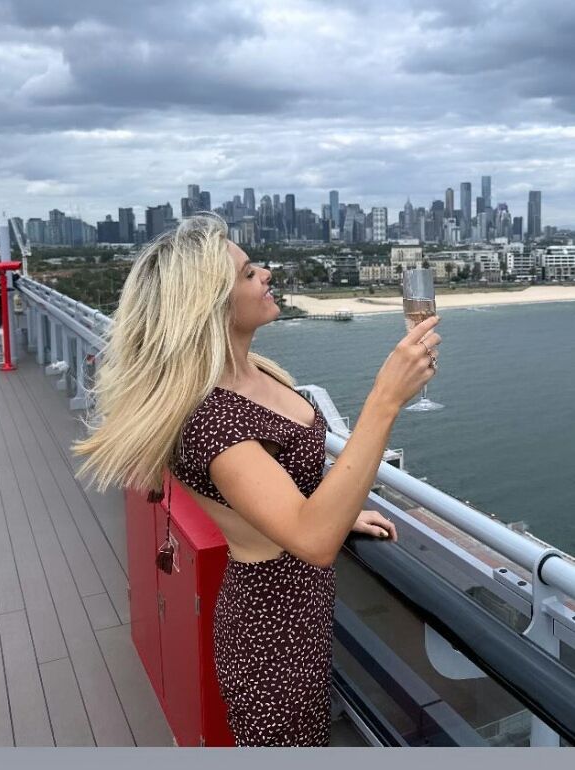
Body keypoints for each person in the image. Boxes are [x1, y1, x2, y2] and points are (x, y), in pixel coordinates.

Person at [72, 213, 441, 747]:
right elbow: (311, 540)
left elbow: (285, 491)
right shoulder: (212, 419)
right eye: (247, 273)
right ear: (209, 305)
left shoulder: (254, 371)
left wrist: (335, 511)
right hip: (271, 641)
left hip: (301, 620)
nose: (266, 273)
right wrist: (385, 399)